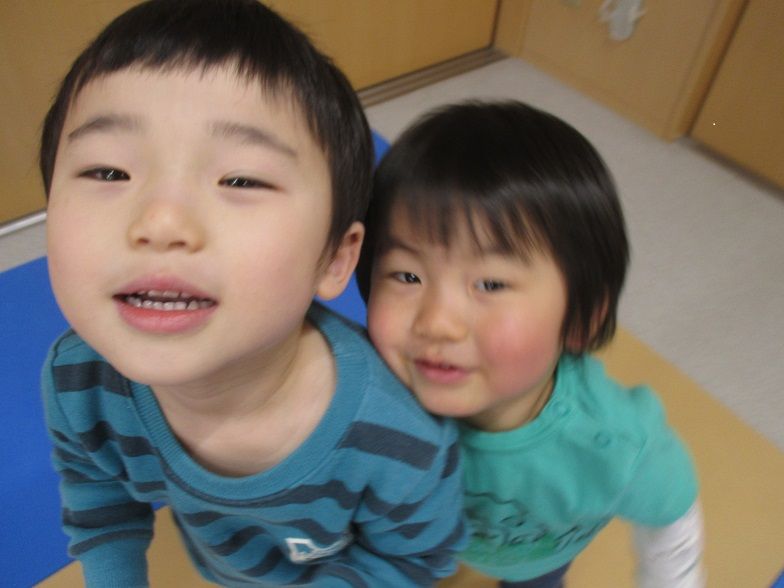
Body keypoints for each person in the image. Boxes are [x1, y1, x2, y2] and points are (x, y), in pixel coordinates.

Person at [39, 1, 466, 585]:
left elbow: (414, 561)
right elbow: (97, 493)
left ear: (335, 257)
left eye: (241, 179)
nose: (160, 222)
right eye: (108, 172)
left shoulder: (400, 439)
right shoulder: (78, 382)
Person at [357, 100, 705, 587]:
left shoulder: (613, 443)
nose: (436, 323)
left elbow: (672, 522)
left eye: (490, 284)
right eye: (407, 275)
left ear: (580, 319)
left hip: (539, 560)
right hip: (433, 542)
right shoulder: (362, 396)